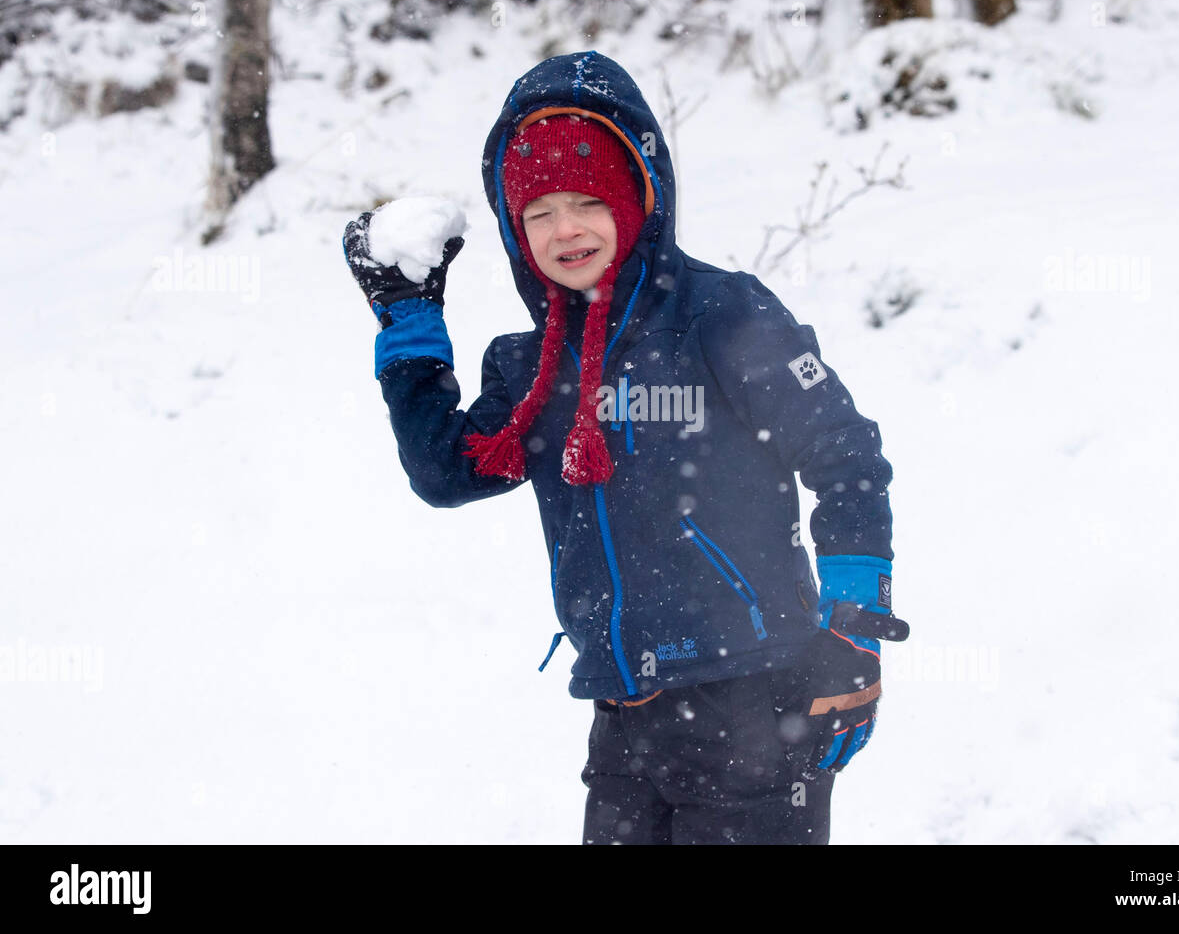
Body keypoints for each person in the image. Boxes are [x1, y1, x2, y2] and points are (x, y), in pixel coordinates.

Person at [342, 51, 905, 844]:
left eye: (585, 200)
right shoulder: (530, 365)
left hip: (758, 704)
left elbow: (844, 453)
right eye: (537, 212)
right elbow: (444, 471)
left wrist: (851, 626)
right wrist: (407, 323)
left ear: (636, 195)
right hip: (625, 724)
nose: (564, 228)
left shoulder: (722, 315)